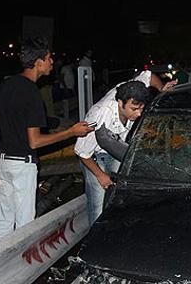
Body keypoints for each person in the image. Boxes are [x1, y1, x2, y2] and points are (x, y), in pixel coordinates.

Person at [0, 36, 92, 240]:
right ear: (39, 62)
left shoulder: (7, 84)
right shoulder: (32, 93)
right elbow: (34, 141)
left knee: (4, 225)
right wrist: (71, 132)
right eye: (49, 58)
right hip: (22, 165)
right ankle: (21, 270)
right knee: (25, 229)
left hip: (3, 161)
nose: (52, 62)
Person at [74, 71, 177, 224]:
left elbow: (148, 75)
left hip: (114, 147)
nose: (138, 114)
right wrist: (101, 176)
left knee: (120, 193)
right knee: (97, 204)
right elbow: (81, 152)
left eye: (141, 108)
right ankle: (96, 239)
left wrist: (161, 88)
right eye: (134, 109)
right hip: (93, 157)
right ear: (120, 103)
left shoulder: (134, 89)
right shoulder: (99, 118)